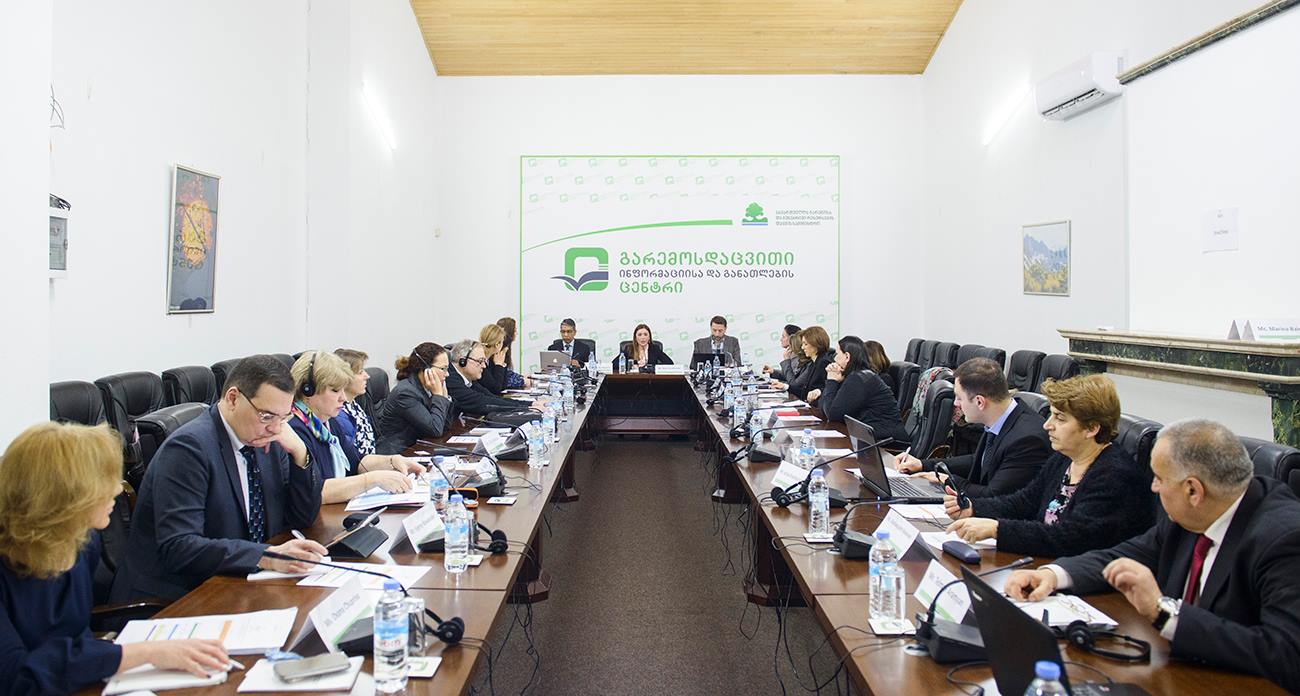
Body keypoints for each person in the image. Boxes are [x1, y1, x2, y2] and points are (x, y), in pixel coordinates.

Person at [1004, 419, 1300, 693]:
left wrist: (1164, 613)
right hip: (1181, 673)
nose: (1153, 487)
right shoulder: (1195, 514)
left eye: (1159, 478)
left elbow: (1285, 654)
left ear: (1193, 490)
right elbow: (1124, 556)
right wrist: (1052, 575)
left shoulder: (1284, 538)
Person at [0, 422, 234, 693]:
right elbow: (16, 678)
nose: (116, 489)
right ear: (61, 497)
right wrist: (140, 654)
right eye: (103, 480)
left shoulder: (81, 540)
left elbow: (76, 639)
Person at [111, 355, 327, 602]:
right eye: (267, 416)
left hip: (235, 582)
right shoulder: (189, 449)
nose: (276, 428)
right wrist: (266, 556)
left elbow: (301, 517)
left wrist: (300, 453)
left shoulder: (267, 440)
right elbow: (180, 547)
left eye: (283, 417)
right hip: (175, 597)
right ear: (233, 398)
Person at [944, 374, 1155, 557]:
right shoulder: (1064, 458)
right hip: (1049, 563)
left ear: (1091, 428)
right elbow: (1025, 501)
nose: (1047, 425)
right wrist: (973, 508)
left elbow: (1072, 537)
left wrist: (998, 529)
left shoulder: (1115, 475)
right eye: (1051, 415)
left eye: (1060, 419)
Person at [895, 357, 1051, 497]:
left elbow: (993, 495)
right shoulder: (1000, 418)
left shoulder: (1027, 439)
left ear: (979, 402)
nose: (955, 403)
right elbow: (980, 461)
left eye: (959, 398)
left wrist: (947, 480)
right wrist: (923, 465)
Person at [287, 351, 426, 504]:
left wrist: (392, 461)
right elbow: (316, 491)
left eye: (343, 389)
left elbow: (357, 462)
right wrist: (370, 480)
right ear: (308, 390)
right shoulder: (295, 430)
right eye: (335, 390)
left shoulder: (328, 422)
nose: (343, 398)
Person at [817, 336, 910, 445]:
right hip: (869, 435)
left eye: (836, 354)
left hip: (886, 439)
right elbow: (823, 408)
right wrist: (834, 382)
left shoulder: (860, 378)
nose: (834, 359)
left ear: (847, 356)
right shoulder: (855, 375)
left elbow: (832, 415)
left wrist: (832, 381)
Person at [376, 342, 452, 455]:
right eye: (443, 369)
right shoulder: (405, 393)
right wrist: (438, 396)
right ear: (425, 368)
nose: (447, 374)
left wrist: (444, 397)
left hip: (417, 448)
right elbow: (435, 429)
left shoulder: (427, 388)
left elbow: (445, 426)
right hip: (398, 453)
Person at [446, 339, 546, 418]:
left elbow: (491, 398)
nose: (484, 366)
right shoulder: (450, 378)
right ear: (462, 361)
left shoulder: (468, 378)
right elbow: (482, 403)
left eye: (484, 361)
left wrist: (531, 404)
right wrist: (528, 408)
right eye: (480, 361)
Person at [333, 348, 377, 456]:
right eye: (360, 372)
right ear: (344, 377)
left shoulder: (354, 405)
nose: (367, 376)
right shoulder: (338, 414)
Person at [479, 324, 532, 394]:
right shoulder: (481, 362)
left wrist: (502, 365)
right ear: (497, 345)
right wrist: (499, 365)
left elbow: (503, 385)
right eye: (502, 342)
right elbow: (496, 389)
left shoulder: (490, 360)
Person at [786, 325, 831, 402]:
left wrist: (818, 391)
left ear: (816, 344)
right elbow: (805, 392)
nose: (802, 348)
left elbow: (827, 390)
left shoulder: (823, 363)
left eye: (805, 344)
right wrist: (785, 387)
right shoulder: (813, 363)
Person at [495, 317, 527, 389]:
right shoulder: (499, 351)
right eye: (515, 331)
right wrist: (522, 381)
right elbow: (505, 380)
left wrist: (522, 377)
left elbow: (508, 373)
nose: (516, 334)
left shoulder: (506, 348)